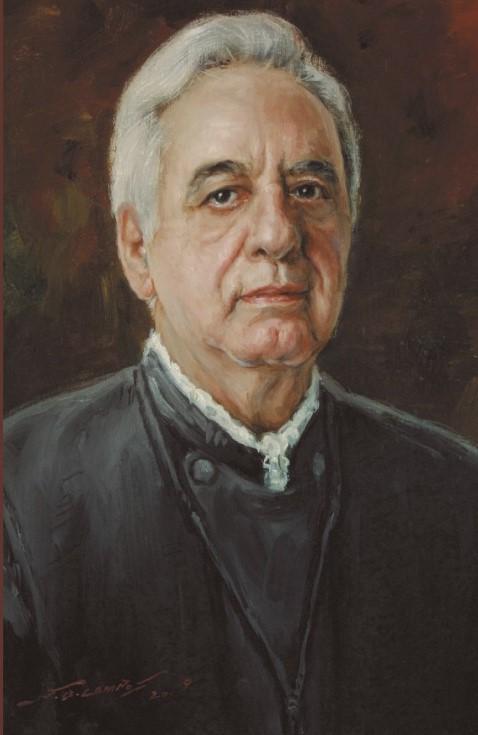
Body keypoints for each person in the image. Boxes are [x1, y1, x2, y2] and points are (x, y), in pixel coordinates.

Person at [4, 11, 477, 735]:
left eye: (310, 189)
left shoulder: (455, 495)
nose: (279, 234)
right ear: (137, 249)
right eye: (223, 193)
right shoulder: (17, 491)